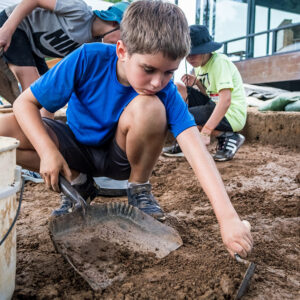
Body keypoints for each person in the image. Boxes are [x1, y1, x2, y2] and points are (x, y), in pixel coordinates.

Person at [0, 0, 252, 258]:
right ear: (122, 50)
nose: (158, 82)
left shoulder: (164, 91)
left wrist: (228, 218)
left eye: (169, 72)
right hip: (74, 150)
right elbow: (24, 104)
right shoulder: (87, 58)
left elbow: (196, 150)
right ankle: (79, 183)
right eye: (149, 69)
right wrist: (47, 150)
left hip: (119, 159)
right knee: (3, 130)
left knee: (151, 107)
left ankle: (139, 189)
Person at [0, 0, 129, 117]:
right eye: (122, 39)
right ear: (114, 22)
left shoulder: (91, 45)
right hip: (15, 26)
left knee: (48, 93)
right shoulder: (79, 11)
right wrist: (7, 29)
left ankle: (44, 130)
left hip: (33, 47)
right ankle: (29, 131)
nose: (118, 46)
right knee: (31, 87)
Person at [164, 25, 247, 162]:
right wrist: (197, 83)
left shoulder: (220, 62)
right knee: (178, 88)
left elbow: (225, 100)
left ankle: (229, 137)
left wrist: (206, 131)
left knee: (183, 115)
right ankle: (186, 141)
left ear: (206, 50)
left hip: (231, 114)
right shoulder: (199, 67)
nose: (190, 58)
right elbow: (210, 95)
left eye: (194, 52)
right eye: (187, 54)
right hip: (214, 106)